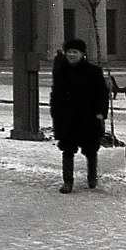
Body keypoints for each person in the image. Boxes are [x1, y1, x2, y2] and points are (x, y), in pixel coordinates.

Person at [49, 38, 108, 194]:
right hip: (67, 117)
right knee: (67, 149)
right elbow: (55, 94)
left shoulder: (94, 71)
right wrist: (55, 113)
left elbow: (102, 94)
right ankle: (67, 182)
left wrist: (101, 113)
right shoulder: (61, 71)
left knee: (90, 149)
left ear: (82, 54)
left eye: (75, 52)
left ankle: (92, 177)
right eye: (69, 52)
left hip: (88, 117)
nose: (71, 55)